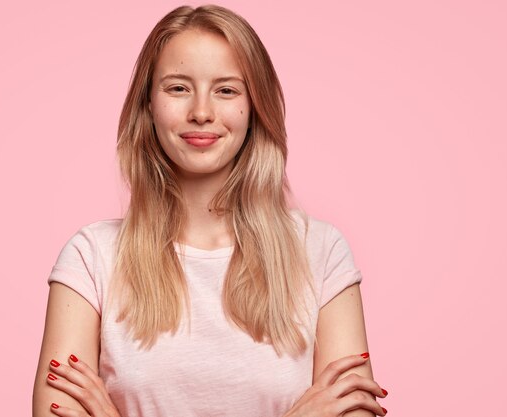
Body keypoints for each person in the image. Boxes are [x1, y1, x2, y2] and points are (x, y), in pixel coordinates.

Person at [32, 4, 387, 417]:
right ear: (148, 105)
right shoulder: (90, 258)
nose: (201, 112)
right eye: (178, 88)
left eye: (226, 90)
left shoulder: (322, 253)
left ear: (255, 108)